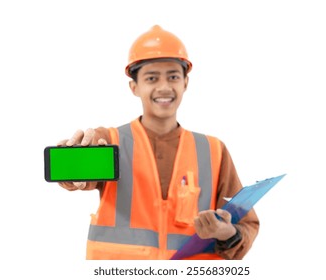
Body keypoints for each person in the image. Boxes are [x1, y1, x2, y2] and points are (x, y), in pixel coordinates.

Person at [57, 25, 259, 260]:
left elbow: (246, 225)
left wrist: (227, 233)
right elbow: (75, 179)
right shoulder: (109, 141)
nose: (164, 87)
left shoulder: (214, 150)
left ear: (186, 83)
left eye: (173, 76)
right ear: (134, 87)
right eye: (152, 78)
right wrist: (72, 169)